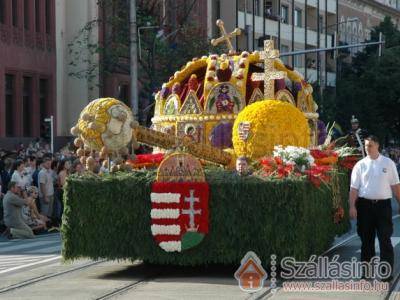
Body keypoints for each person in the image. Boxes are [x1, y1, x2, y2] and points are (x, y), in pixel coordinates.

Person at [349, 135, 400, 281]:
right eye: (366, 146)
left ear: (377, 145)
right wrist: (352, 206)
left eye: (370, 145)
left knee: (385, 239)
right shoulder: (360, 165)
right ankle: (367, 273)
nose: (367, 148)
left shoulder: (388, 163)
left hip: (383, 207)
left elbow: (396, 187)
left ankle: (386, 273)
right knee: (366, 240)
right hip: (365, 207)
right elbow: (353, 189)